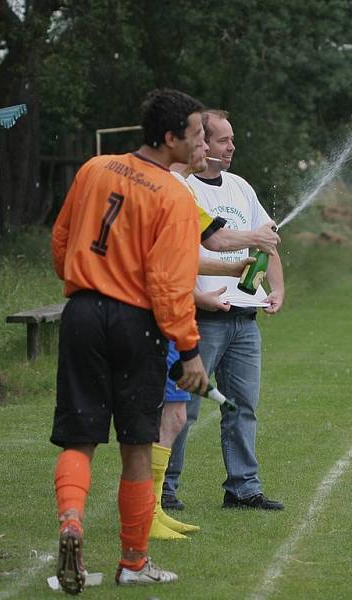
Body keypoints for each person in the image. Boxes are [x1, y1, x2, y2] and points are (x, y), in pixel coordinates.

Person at [50, 88, 210, 594]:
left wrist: (83, 284)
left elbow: (61, 240)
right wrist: (188, 351)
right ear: (170, 139)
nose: (201, 142)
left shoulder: (95, 168)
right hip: (134, 322)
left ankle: (71, 521)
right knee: (137, 445)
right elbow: (169, 284)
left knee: (80, 436)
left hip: (80, 312)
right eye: (196, 134)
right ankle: (134, 562)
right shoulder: (175, 197)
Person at [149, 145, 280, 539]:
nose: (220, 148)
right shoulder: (176, 185)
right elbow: (210, 242)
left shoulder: (236, 186)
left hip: (241, 315)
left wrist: (267, 281)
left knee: (240, 406)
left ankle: (242, 489)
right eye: (210, 140)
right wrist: (197, 295)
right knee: (178, 410)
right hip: (193, 317)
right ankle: (161, 496)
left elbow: (233, 246)